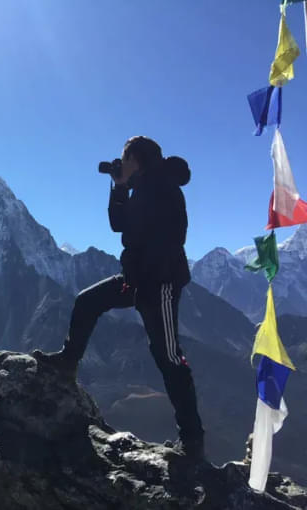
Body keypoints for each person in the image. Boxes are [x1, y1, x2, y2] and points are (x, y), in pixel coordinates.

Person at [33, 136, 205, 459]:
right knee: (87, 301)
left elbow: (171, 236)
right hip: (137, 280)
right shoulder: (140, 186)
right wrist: (119, 187)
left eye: (123, 159)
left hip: (161, 285)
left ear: (136, 160)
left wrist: (145, 271)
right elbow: (118, 224)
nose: (119, 163)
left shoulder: (165, 188)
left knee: (169, 357)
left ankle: (192, 440)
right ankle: (67, 363)